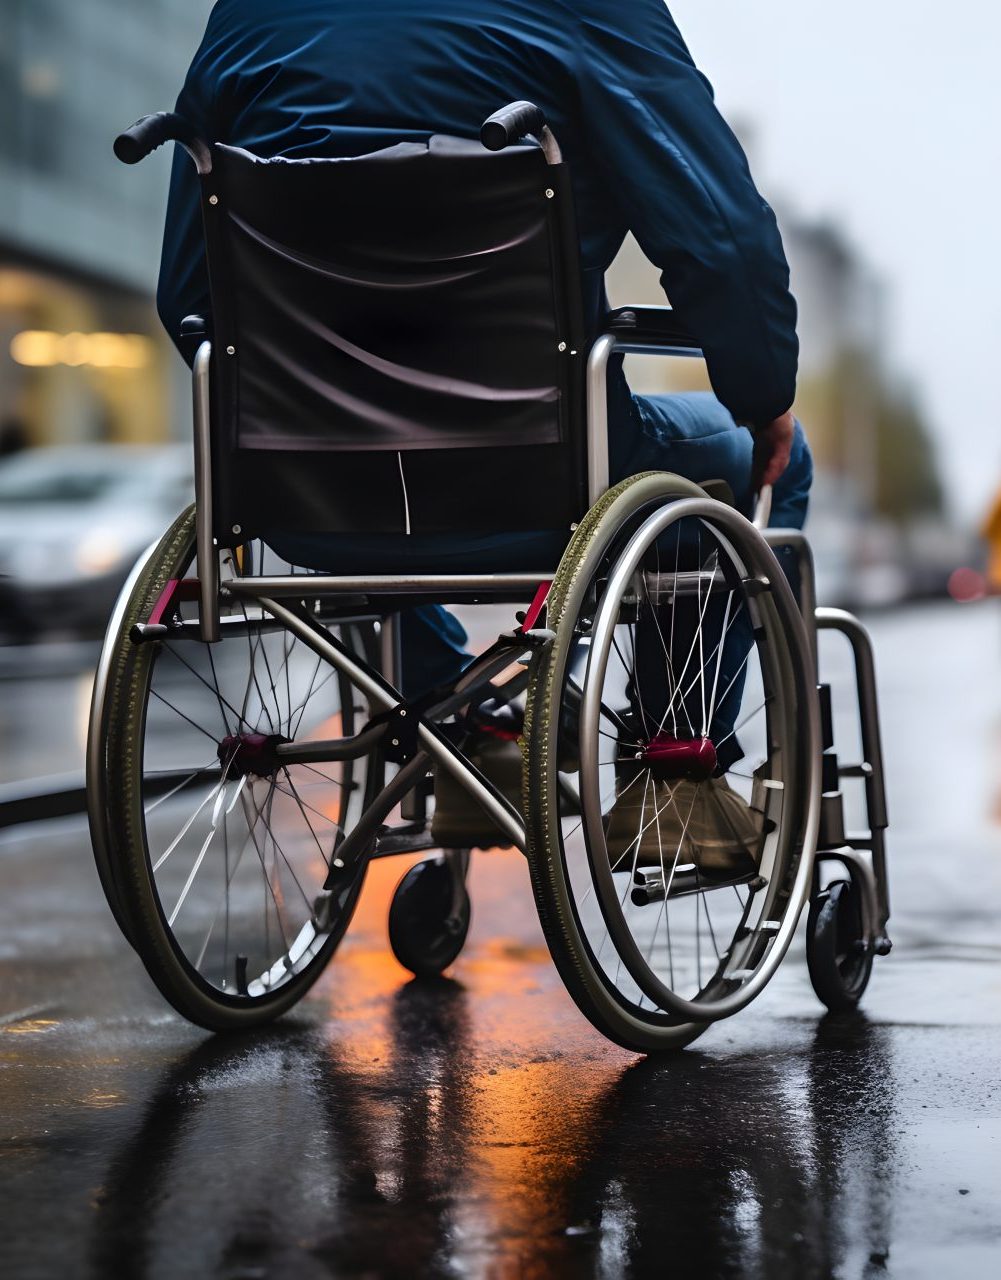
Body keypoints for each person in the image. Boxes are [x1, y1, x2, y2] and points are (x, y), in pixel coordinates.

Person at [157, 0, 813, 862]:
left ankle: (466, 731)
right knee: (769, 464)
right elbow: (721, 242)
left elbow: (189, 296)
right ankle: (675, 770)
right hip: (543, 468)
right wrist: (762, 396)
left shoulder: (250, 14)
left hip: (304, 489)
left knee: (379, 463)